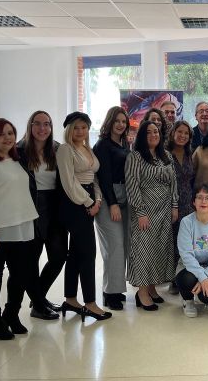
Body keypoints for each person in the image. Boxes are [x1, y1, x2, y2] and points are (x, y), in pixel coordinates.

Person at [0, 118, 58, 340]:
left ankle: (11, 315)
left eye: (10, 133)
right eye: (1, 134)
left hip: (20, 226)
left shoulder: (15, 158)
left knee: (20, 274)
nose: (7, 138)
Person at [56, 112, 111, 321]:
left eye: (84, 127)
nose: (80, 131)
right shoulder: (65, 149)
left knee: (76, 254)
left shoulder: (87, 148)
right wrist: (88, 202)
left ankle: (70, 299)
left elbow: (93, 178)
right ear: (69, 129)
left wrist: (97, 199)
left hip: (88, 199)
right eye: (76, 127)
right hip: (74, 203)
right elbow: (68, 182)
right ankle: (90, 303)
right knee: (88, 254)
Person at [16, 110, 67, 313]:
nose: (42, 128)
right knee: (31, 260)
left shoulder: (57, 149)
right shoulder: (18, 150)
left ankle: (39, 298)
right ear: (30, 126)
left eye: (47, 124)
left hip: (55, 207)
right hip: (30, 207)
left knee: (59, 256)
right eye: (37, 123)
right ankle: (38, 304)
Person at [125, 121, 178, 311]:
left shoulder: (166, 156)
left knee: (159, 250)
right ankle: (142, 292)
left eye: (156, 131)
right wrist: (140, 212)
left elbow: (173, 183)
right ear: (142, 135)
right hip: (145, 210)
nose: (153, 135)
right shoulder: (135, 157)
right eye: (148, 132)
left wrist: (174, 205)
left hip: (164, 210)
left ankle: (152, 287)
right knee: (143, 250)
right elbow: (132, 185)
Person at [92, 106, 130, 310]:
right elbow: (104, 177)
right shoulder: (102, 145)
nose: (120, 125)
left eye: (123, 121)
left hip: (125, 196)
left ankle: (115, 288)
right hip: (109, 198)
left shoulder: (124, 144)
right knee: (113, 246)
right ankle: (110, 293)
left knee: (122, 245)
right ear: (109, 122)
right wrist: (113, 203)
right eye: (117, 121)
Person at [176, 183, 208, 317]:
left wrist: (206, 276)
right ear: (194, 202)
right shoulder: (186, 222)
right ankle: (188, 300)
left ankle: (205, 294)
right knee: (187, 280)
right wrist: (203, 278)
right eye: (199, 197)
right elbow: (186, 254)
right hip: (189, 267)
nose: (203, 201)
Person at [166, 120, 195, 294]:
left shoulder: (190, 154)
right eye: (180, 132)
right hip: (169, 203)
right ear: (173, 133)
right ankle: (172, 279)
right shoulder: (164, 154)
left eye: (186, 133)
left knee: (185, 241)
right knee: (171, 241)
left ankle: (184, 276)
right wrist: (172, 205)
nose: (182, 136)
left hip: (188, 203)